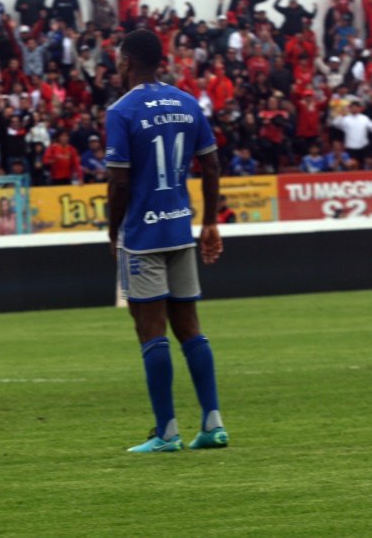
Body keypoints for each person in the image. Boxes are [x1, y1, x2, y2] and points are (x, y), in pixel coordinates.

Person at [104, 28, 227, 454]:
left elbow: (118, 182)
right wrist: (210, 222)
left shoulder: (121, 111)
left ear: (126, 62)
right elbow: (211, 166)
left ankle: (167, 432)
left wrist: (111, 229)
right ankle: (212, 423)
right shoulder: (188, 102)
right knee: (190, 327)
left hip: (142, 235)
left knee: (150, 330)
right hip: (179, 228)